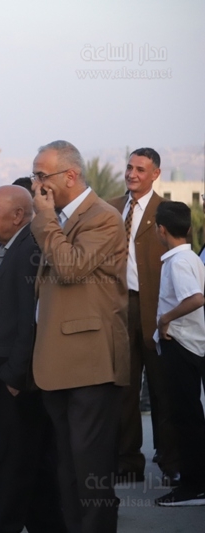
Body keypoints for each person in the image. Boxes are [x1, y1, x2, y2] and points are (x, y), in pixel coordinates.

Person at [31, 140, 128, 533]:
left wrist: (44, 219)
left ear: (70, 176)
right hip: (58, 362)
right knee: (69, 468)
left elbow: (70, 267)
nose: (36, 185)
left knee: (90, 471)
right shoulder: (60, 218)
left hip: (90, 362)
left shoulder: (102, 217)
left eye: (42, 176)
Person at [0, 186, 65, 532]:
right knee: (32, 464)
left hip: (17, 382)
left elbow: (30, 320)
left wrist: (14, 377)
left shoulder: (30, 249)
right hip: (4, 377)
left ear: (17, 216)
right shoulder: (9, 247)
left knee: (13, 465)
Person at [107, 147, 179, 485]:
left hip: (157, 311)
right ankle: (128, 462)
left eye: (140, 169)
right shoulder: (111, 208)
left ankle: (170, 461)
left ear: (155, 174)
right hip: (119, 308)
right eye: (129, 167)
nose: (132, 174)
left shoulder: (167, 211)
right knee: (124, 387)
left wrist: (170, 317)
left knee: (163, 391)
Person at [152, 201, 205, 507]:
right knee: (189, 416)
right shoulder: (190, 258)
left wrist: (165, 319)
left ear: (161, 229)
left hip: (182, 346)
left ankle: (192, 487)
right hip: (188, 345)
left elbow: (195, 298)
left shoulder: (179, 262)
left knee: (186, 419)